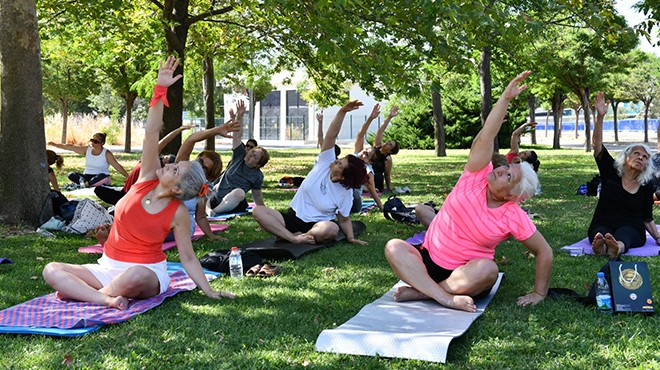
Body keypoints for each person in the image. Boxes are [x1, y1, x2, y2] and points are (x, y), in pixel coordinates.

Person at [42, 56, 235, 309]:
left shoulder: (177, 212)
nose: (168, 164)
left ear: (177, 188)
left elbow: (187, 257)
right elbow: (151, 133)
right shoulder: (146, 179)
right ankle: (105, 298)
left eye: (175, 169)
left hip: (146, 273)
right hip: (107, 267)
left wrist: (208, 290)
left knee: (136, 275)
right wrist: (160, 88)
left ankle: (83, 294)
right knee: (51, 269)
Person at [384, 71, 552, 312]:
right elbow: (486, 138)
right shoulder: (476, 177)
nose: (502, 170)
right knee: (393, 246)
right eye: (507, 167)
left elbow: (544, 251)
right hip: (429, 258)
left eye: (509, 176)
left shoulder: (513, 215)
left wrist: (538, 292)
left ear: (511, 196)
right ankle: (442, 297)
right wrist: (504, 99)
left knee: (489, 270)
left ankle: (424, 290)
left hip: (464, 275)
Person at [252, 101, 368, 245]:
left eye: (340, 163)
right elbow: (331, 135)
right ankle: (293, 237)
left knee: (331, 229)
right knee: (259, 212)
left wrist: (351, 238)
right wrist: (342, 112)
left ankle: (300, 235)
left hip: (317, 226)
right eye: (339, 159)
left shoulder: (345, 193)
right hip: (293, 217)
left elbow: (344, 219)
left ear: (343, 176)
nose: (336, 161)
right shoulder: (325, 162)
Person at [588, 91, 659, 259]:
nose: (640, 158)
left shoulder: (646, 185)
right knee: (599, 233)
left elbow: (647, 217)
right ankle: (601, 245)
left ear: (647, 165)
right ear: (626, 156)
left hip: (631, 226)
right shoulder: (610, 170)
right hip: (603, 221)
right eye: (636, 153)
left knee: (625, 235)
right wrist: (600, 117)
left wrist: (657, 237)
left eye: (645, 157)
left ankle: (616, 248)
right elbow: (597, 145)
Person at [94, 126, 192, 205]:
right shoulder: (147, 161)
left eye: (167, 159)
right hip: (124, 191)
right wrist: (179, 130)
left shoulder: (155, 171)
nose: (164, 157)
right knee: (98, 189)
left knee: (100, 190)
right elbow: (163, 142)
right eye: (165, 156)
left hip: (129, 196)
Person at [207, 100, 270, 215]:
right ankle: (207, 209)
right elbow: (237, 136)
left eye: (254, 157)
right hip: (215, 196)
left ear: (257, 165)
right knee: (206, 184)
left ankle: (213, 212)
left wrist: (265, 211)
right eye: (252, 151)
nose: (250, 154)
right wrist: (239, 117)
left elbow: (257, 195)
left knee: (240, 192)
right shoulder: (240, 155)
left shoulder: (257, 176)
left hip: (229, 203)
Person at [48, 133, 129, 189]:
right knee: (71, 174)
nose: (93, 143)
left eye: (96, 141)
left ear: (102, 143)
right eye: (92, 140)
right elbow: (70, 147)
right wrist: (55, 144)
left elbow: (117, 166)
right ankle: (86, 184)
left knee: (103, 177)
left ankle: (85, 184)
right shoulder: (87, 150)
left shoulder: (107, 153)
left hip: (100, 177)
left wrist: (128, 177)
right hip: (86, 176)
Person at [351, 104, 386, 213]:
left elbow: (373, 192)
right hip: (339, 197)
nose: (362, 154)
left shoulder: (368, 171)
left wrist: (383, 209)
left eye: (366, 155)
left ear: (370, 162)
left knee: (353, 192)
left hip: (353, 202)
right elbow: (360, 136)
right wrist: (371, 118)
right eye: (364, 151)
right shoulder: (356, 156)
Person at [371, 106, 399, 192]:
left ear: (390, 150)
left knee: (378, 175)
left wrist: (389, 188)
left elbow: (387, 175)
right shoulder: (377, 145)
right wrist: (389, 117)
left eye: (390, 144)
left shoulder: (388, 159)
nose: (387, 143)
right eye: (388, 142)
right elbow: (380, 131)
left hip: (376, 179)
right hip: (366, 175)